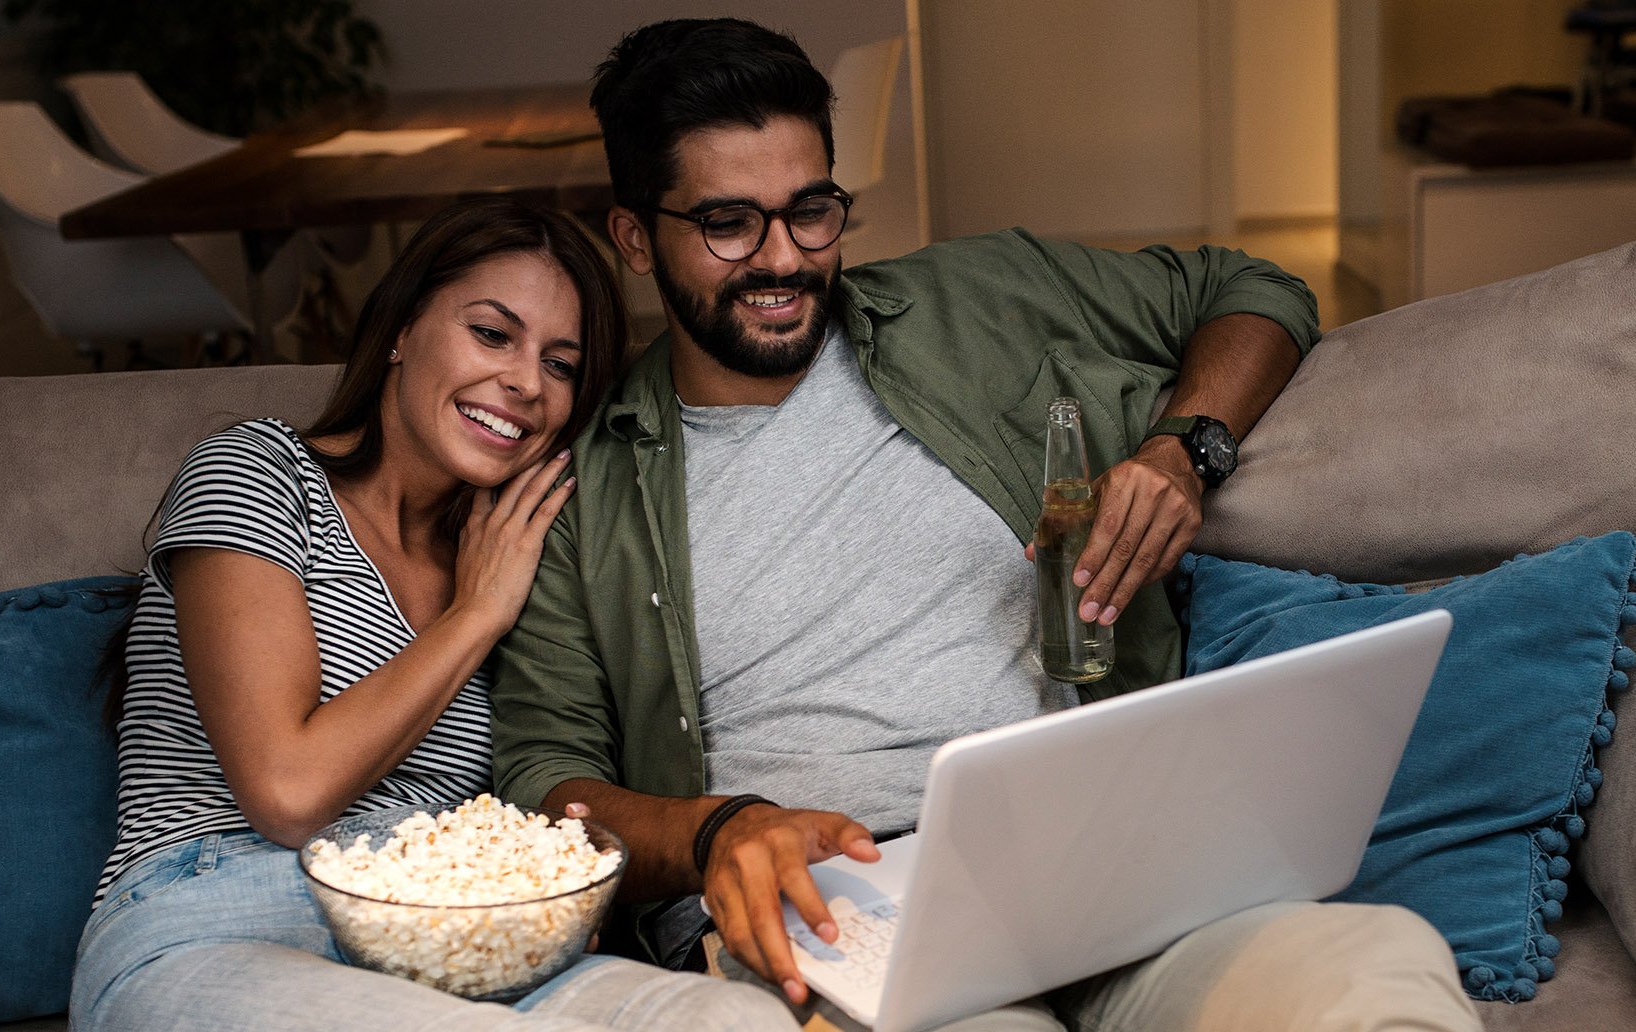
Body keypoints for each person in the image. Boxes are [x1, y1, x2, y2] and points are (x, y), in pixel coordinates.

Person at [490, 19, 1484, 1032]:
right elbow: (538, 777)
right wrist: (712, 834)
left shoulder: (972, 301)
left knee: (1368, 972)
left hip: (1112, 863)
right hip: (847, 916)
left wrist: (1183, 451)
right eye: (729, 225)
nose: (782, 260)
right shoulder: (585, 490)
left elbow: (1250, 290)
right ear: (633, 238)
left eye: (811, 212)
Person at [70, 198, 797, 1032]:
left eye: (561, 366)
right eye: (492, 334)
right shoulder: (258, 471)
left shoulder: (526, 555)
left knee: (738, 1022)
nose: (526, 382)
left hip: (472, 940)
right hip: (215, 917)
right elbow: (286, 790)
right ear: (401, 330)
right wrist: (473, 616)